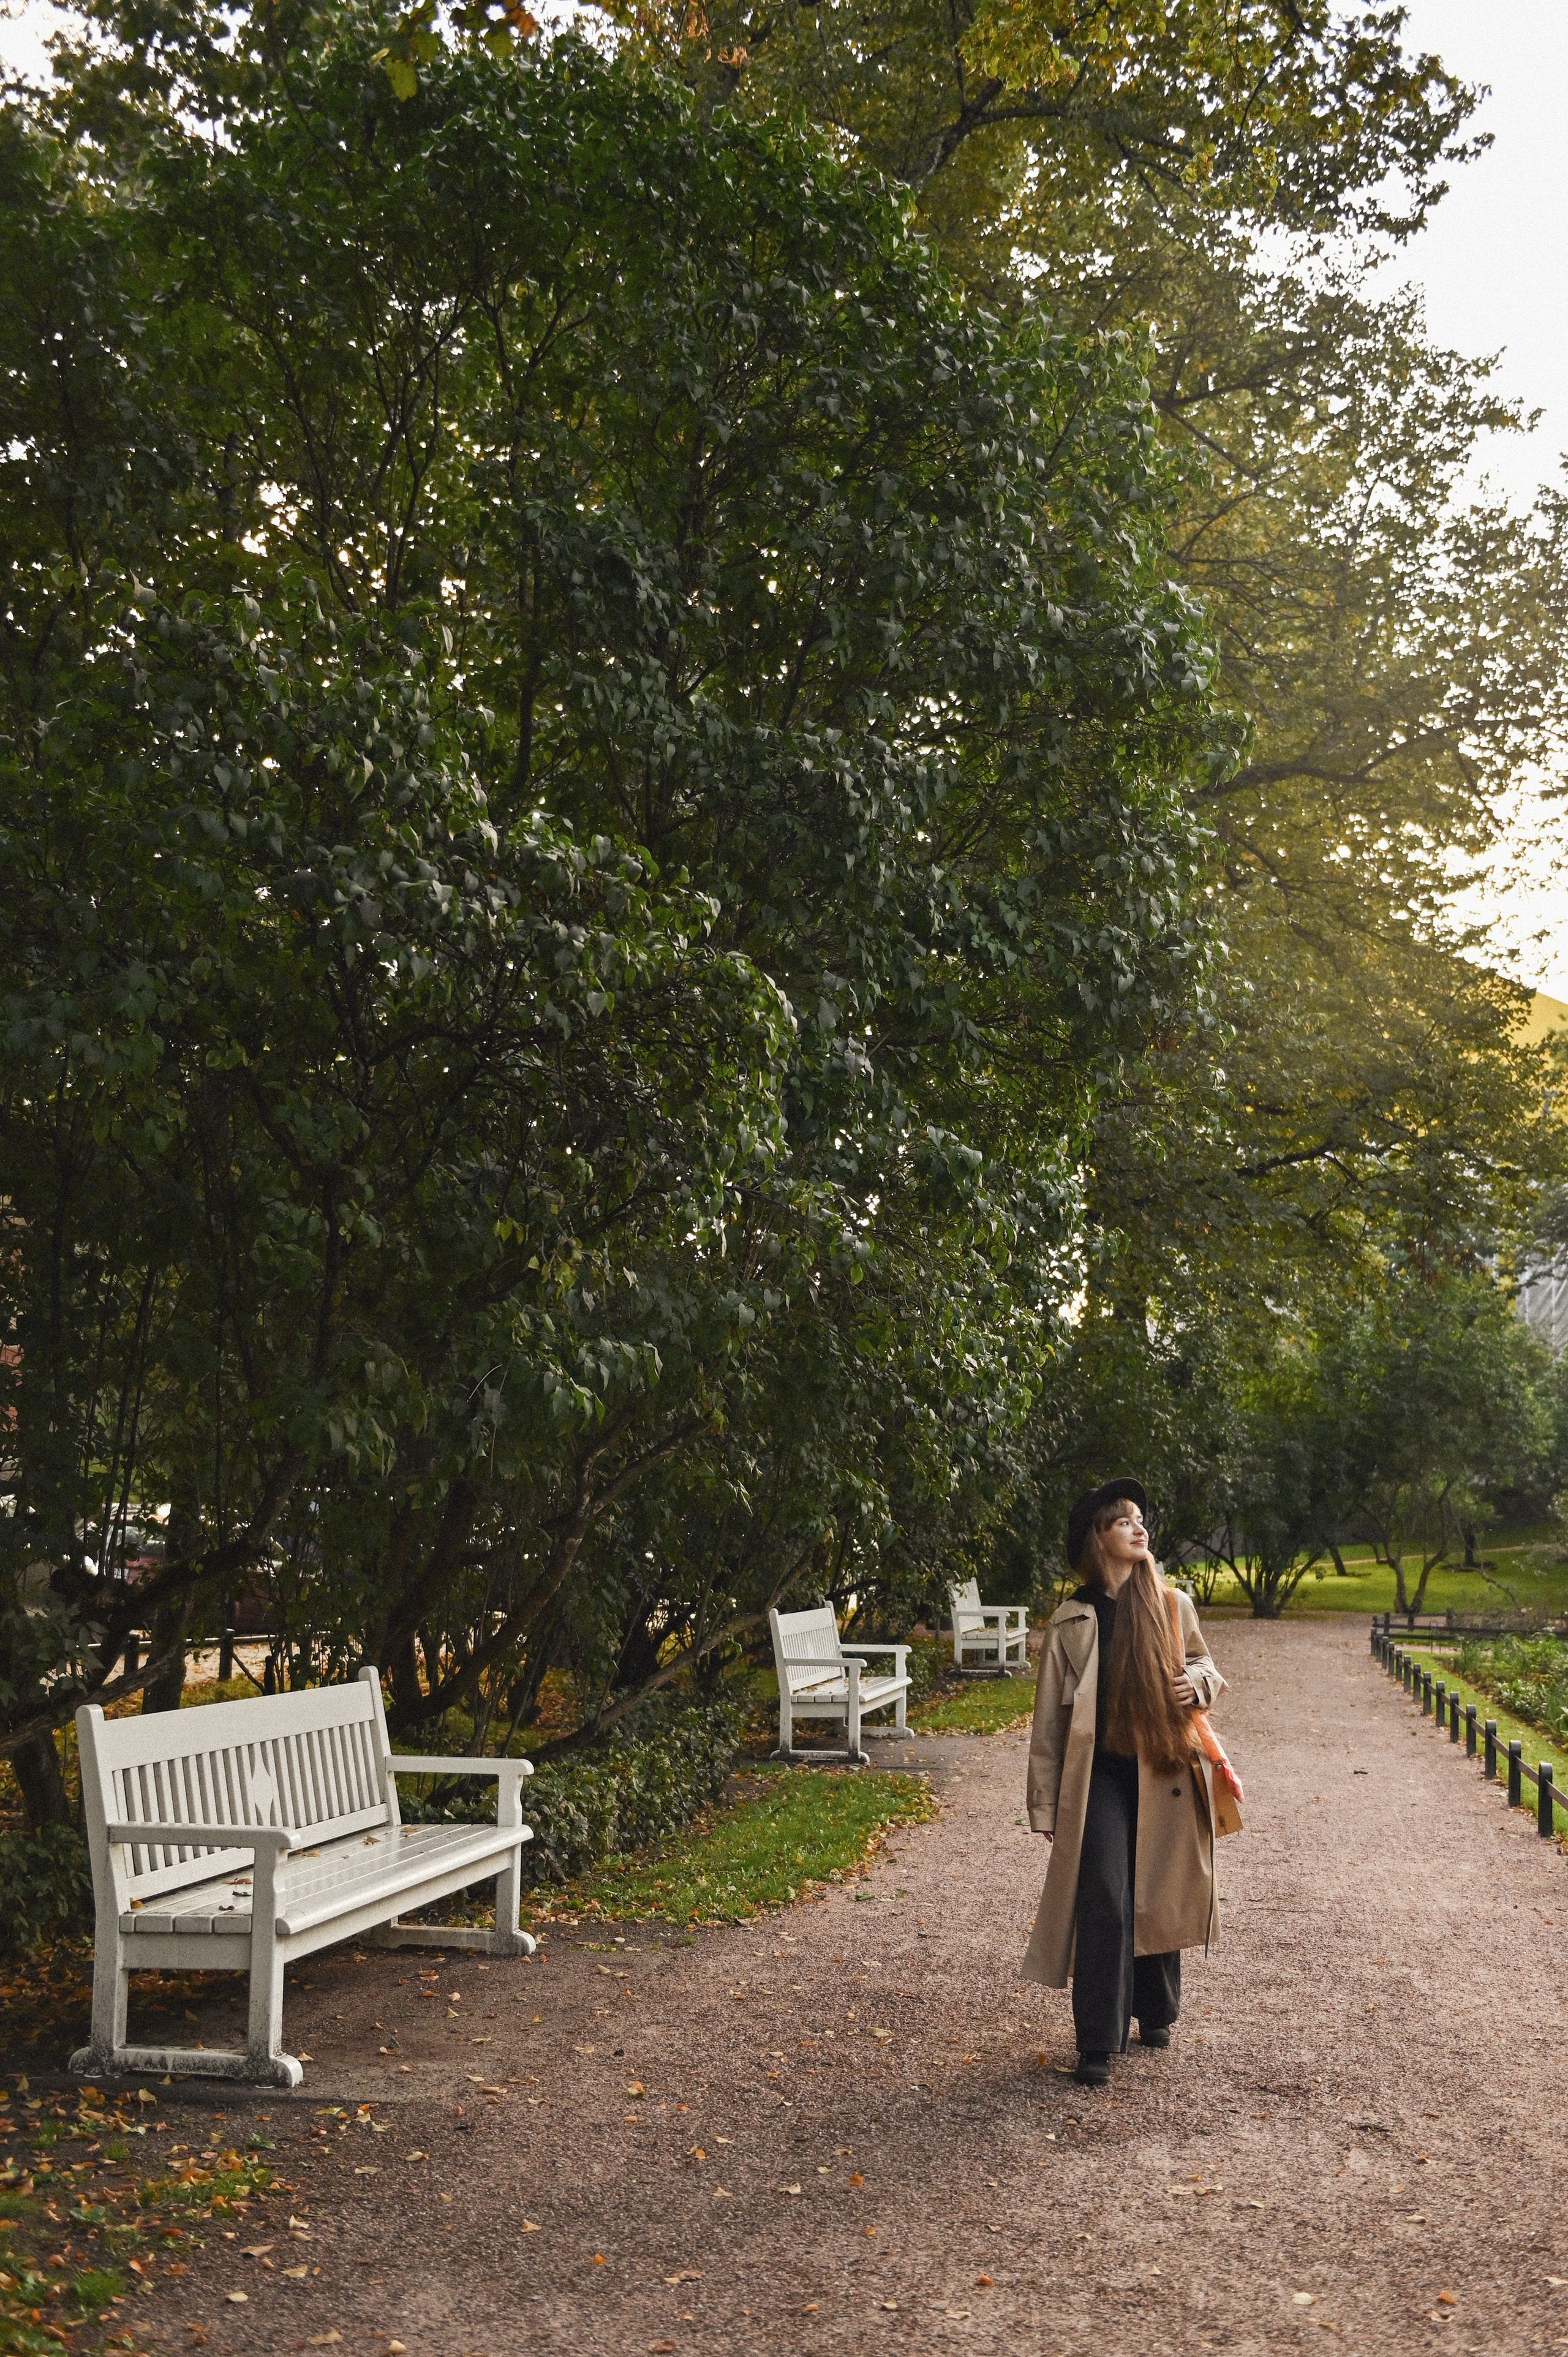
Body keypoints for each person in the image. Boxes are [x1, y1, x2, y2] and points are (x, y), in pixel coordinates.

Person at [1021, 1479, 1227, 2085]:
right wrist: (1044, 1802)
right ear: (1099, 1538)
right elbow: (1047, 1724)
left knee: (1158, 1886)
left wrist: (1200, 1682)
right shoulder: (1071, 1620)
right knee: (1106, 1896)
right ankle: (1096, 2039)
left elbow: (1204, 1662)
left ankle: (1156, 2010)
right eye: (1123, 1522)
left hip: (1164, 1765)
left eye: (1140, 1519)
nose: (1139, 1529)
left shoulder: (1170, 1602)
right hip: (1099, 1777)